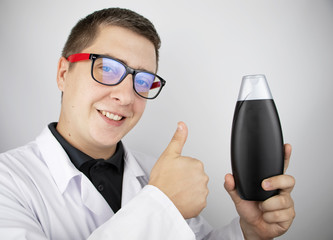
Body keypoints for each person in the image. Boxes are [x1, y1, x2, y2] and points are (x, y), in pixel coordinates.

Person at [0, 8, 295, 240]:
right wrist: (161, 203)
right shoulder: (8, 183)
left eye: (142, 80)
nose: (126, 96)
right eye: (107, 68)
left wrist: (249, 232)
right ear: (64, 73)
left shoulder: (157, 172)